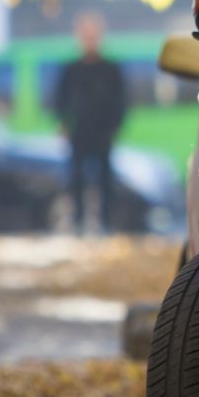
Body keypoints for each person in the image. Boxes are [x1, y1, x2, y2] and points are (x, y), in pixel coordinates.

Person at [51, 13, 128, 233]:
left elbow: (120, 100)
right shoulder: (71, 69)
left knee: (105, 180)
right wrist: (63, 123)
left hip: (103, 133)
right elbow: (60, 99)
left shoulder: (111, 69)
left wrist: (115, 126)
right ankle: (77, 223)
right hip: (79, 132)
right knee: (75, 180)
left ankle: (104, 223)